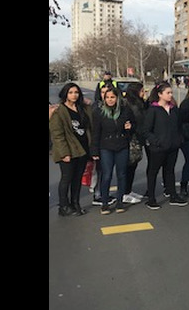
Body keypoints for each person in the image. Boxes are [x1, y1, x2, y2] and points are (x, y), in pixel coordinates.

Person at [140, 83, 188, 209]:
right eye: (168, 93)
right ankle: (151, 198)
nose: (170, 95)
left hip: (173, 145)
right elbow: (146, 130)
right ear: (160, 94)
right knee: (153, 172)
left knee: (169, 171)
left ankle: (173, 195)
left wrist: (178, 139)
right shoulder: (153, 110)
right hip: (158, 147)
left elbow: (178, 126)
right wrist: (156, 141)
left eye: (171, 93)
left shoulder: (173, 109)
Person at [50, 83, 95, 216]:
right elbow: (57, 135)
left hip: (82, 148)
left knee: (77, 178)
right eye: (70, 92)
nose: (74, 95)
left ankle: (75, 203)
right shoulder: (59, 111)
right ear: (65, 94)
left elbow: (90, 125)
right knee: (66, 178)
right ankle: (63, 206)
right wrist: (64, 153)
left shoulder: (83, 108)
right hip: (68, 150)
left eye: (76, 92)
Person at [90, 86, 135, 214]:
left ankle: (120, 201)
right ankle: (105, 203)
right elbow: (96, 132)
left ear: (117, 98)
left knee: (121, 174)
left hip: (121, 145)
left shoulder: (125, 110)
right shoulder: (99, 112)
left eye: (112, 97)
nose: (110, 100)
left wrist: (130, 127)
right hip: (106, 147)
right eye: (107, 97)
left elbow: (134, 124)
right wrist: (94, 150)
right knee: (107, 175)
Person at [121, 82, 147, 204]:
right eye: (142, 91)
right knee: (128, 166)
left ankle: (128, 190)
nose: (144, 93)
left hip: (138, 137)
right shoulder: (128, 104)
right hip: (131, 138)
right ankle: (124, 192)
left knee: (133, 165)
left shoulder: (140, 103)